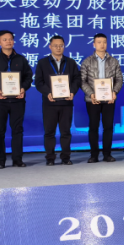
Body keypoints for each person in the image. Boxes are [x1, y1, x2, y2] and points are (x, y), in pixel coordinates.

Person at [0, 29, 33, 169]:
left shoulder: (21, 59)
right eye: (5, 39)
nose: (8, 41)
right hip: (0, 101)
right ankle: (0, 161)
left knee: (18, 130)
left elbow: (28, 77)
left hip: (18, 101)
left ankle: (17, 160)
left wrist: (23, 88)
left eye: (10, 39)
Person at [34, 35, 81, 166]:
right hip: (50, 103)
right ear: (50, 46)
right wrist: (47, 93)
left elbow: (77, 79)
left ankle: (66, 157)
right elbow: (38, 82)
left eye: (61, 45)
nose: (58, 48)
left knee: (66, 132)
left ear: (64, 46)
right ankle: (50, 158)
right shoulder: (43, 63)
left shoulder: (71, 62)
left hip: (66, 103)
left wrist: (72, 91)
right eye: (55, 45)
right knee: (49, 132)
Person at [80, 33, 123, 163]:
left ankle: (107, 154)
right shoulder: (87, 61)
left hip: (109, 99)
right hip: (92, 99)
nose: (102, 44)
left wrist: (114, 92)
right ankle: (94, 155)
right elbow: (82, 81)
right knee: (93, 127)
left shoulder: (114, 61)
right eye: (99, 42)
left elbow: (119, 79)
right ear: (94, 44)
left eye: (104, 42)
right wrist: (91, 94)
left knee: (108, 127)